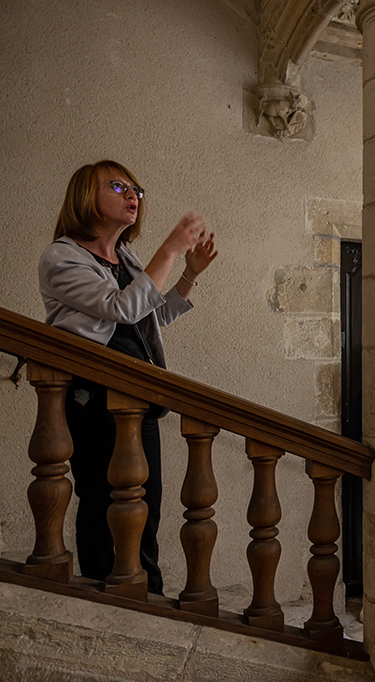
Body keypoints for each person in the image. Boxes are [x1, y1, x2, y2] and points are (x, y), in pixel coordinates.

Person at [39, 160, 217, 595]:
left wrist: (189, 273)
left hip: (139, 398)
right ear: (85, 195)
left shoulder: (125, 258)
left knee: (147, 509)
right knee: (103, 503)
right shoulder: (61, 256)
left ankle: (148, 594)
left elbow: (152, 316)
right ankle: (109, 597)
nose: (132, 195)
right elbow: (121, 309)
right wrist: (170, 250)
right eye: (118, 187)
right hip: (94, 398)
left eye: (136, 188)